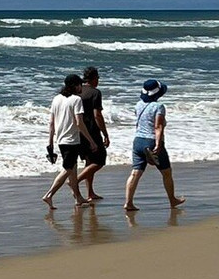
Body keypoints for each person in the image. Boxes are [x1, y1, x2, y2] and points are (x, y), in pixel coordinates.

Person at [124, 79, 186, 211]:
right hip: (151, 141)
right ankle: (172, 200)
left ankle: (128, 202)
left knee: (135, 172)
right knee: (167, 172)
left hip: (138, 141)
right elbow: (158, 127)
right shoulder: (159, 107)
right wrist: (158, 144)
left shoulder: (138, 105)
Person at [42, 74, 98, 209]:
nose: (82, 87)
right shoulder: (76, 100)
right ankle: (49, 195)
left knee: (73, 170)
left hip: (61, 140)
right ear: (75, 86)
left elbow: (51, 123)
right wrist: (91, 141)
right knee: (68, 169)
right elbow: (79, 123)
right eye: (80, 84)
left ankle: (78, 198)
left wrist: (50, 142)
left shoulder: (56, 99)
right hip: (71, 140)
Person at [77, 66, 110, 200]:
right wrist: (105, 134)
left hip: (78, 130)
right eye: (98, 78)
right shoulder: (95, 93)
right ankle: (76, 181)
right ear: (94, 78)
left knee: (89, 162)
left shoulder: (77, 92)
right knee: (99, 160)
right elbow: (97, 115)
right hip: (91, 130)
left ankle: (90, 193)